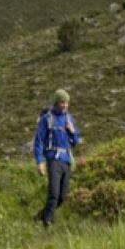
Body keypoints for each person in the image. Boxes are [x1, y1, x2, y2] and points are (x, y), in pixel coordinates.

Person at [31, 89, 79, 227]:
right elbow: (39, 141)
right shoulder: (47, 119)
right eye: (62, 102)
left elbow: (75, 142)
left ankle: (41, 216)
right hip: (53, 160)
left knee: (62, 197)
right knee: (53, 193)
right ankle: (48, 223)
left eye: (66, 103)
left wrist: (72, 131)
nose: (64, 105)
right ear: (56, 102)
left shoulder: (69, 119)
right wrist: (40, 162)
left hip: (66, 160)